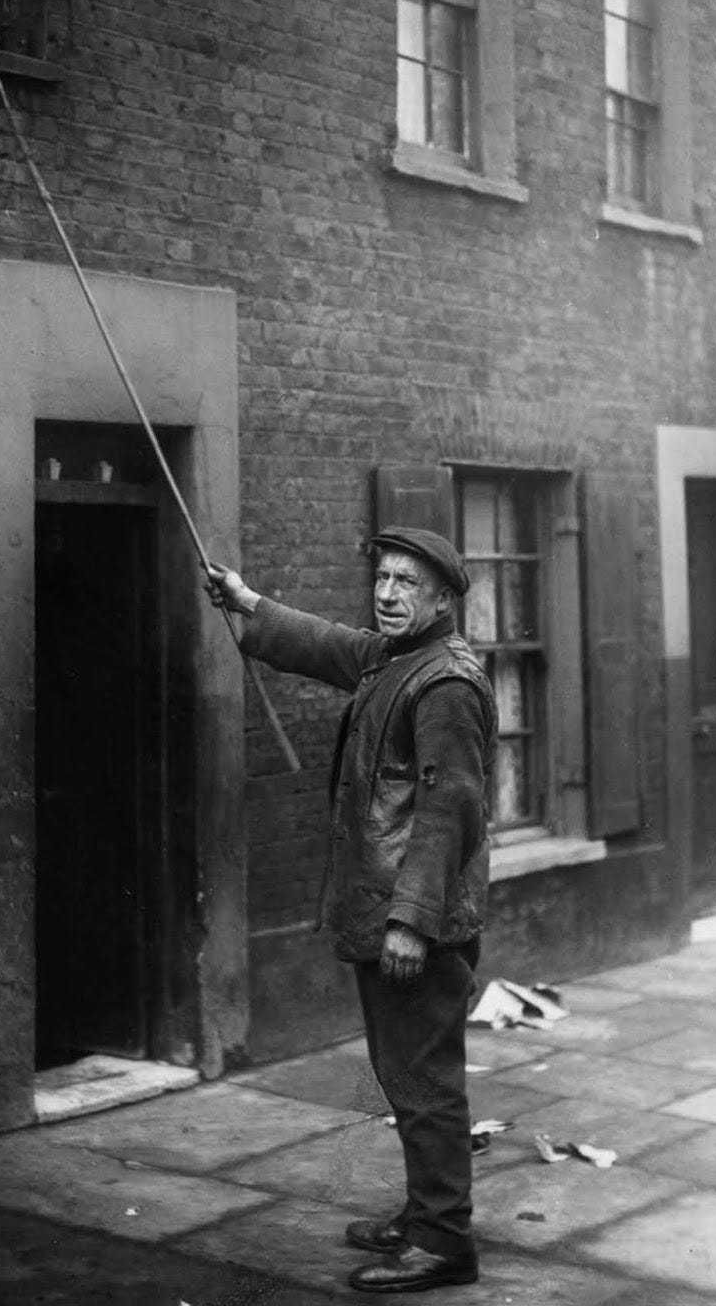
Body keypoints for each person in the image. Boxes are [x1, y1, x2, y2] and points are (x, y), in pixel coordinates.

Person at [207, 527, 497, 1295]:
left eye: (408, 583)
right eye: (384, 578)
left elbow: (450, 809)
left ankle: (443, 1242)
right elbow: (331, 645)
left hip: (418, 924)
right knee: (402, 1072)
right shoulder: (395, 659)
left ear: (442, 600)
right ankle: (426, 1211)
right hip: (392, 912)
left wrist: (410, 920)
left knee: (424, 1080)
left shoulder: (445, 685)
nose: (389, 592)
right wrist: (249, 605)